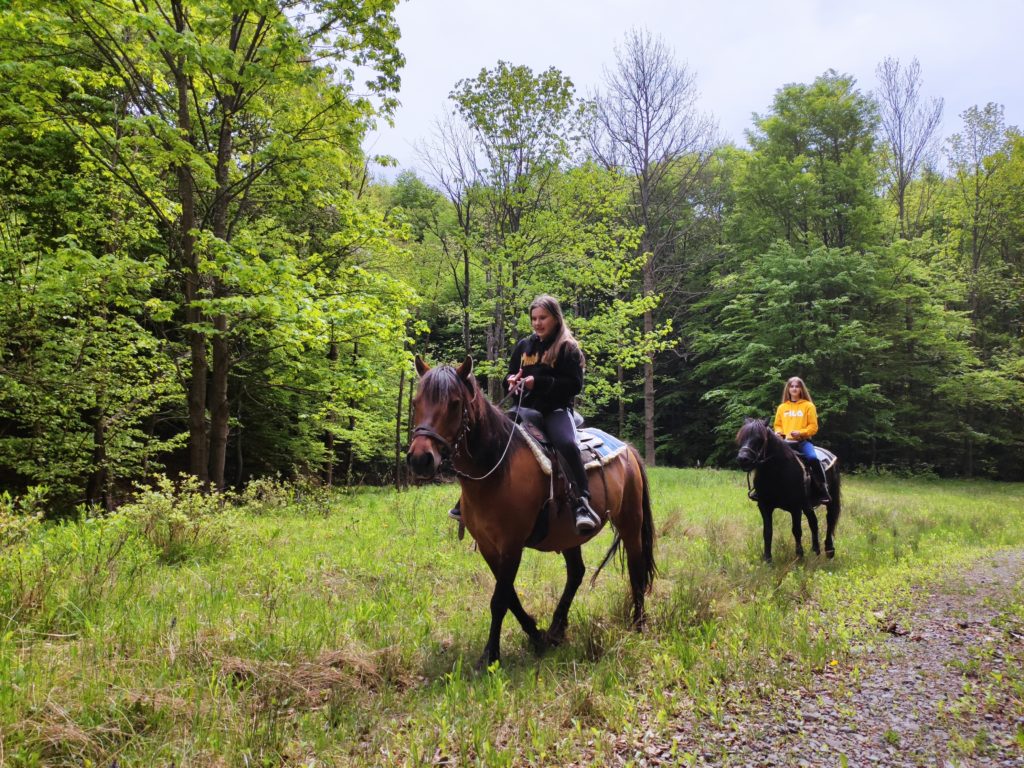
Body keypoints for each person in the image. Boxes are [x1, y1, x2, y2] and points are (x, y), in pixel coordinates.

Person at [450, 294, 601, 535]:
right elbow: (509, 375)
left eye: (543, 318)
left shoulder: (568, 348)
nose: (537, 323)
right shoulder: (524, 346)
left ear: (555, 318)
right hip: (523, 410)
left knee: (567, 443)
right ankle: (466, 500)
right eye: (534, 318)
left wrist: (537, 383)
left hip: (555, 410)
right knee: (488, 437)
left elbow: (574, 385)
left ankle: (582, 501)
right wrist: (511, 381)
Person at [773, 376, 831, 505]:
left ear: (801, 389)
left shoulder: (808, 406)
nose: (794, 389)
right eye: (791, 386)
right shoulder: (782, 407)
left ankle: (822, 489)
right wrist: (778, 433)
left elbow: (813, 427)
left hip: (802, 442)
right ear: (788, 389)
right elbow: (778, 425)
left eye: (797, 386)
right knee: (769, 459)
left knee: (813, 458)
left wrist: (801, 433)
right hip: (785, 443)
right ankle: (762, 490)